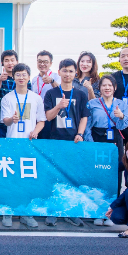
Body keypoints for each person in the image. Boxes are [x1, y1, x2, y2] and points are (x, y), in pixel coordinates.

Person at [43, 58, 90, 227]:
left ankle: (72, 213)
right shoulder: (51, 93)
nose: (67, 74)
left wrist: (80, 134)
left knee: (72, 178)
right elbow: (48, 117)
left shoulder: (81, 94)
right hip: (55, 141)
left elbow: (84, 117)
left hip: (74, 142)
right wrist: (59, 106)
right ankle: (53, 212)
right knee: (54, 178)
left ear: (75, 73)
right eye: (64, 70)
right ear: (59, 72)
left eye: (71, 71)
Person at [0, 63, 46, 228]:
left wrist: (35, 131)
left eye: (24, 74)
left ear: (28, 77)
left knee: (28, 180)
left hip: (29, 145)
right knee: (11, 179)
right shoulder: (7, 98)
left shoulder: (36, 98)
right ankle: (8, 212)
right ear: (13, 77)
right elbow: (5, 121)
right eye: (18, 74)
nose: (21, 77)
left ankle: (26, 213)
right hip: (12, 144)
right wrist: (11, 120)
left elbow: (41, 121)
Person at [85, 75, 128, 226]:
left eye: (110, 85)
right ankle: (97, 212)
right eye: (104, 85)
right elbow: (87, 125)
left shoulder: (121, 104)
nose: (107, 88)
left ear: (114, 88)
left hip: (114, 141)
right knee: (97, 174)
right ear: (99, 88)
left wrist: (121, 116)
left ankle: (111, 213)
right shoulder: (92, 103)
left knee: (115, 174)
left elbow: (123, 126)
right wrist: (91, 144)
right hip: (97, 139)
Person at [0, 50, 31, 138]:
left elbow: (28, 96)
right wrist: (0, 79)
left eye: (12, 60)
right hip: (1, 121)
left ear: (17, 61)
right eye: (6, 60)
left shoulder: (22, 78)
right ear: (2, 63)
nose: (10, 63)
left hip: (18, 120)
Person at [30, 50, 60, 139]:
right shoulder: (34, 79)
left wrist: (52, 81)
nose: (42, 64)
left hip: (50, 114)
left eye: (45, 62)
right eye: (40, 61)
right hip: (36, 115)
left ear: (50, 63)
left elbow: (61, 91)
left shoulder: (56, 77)